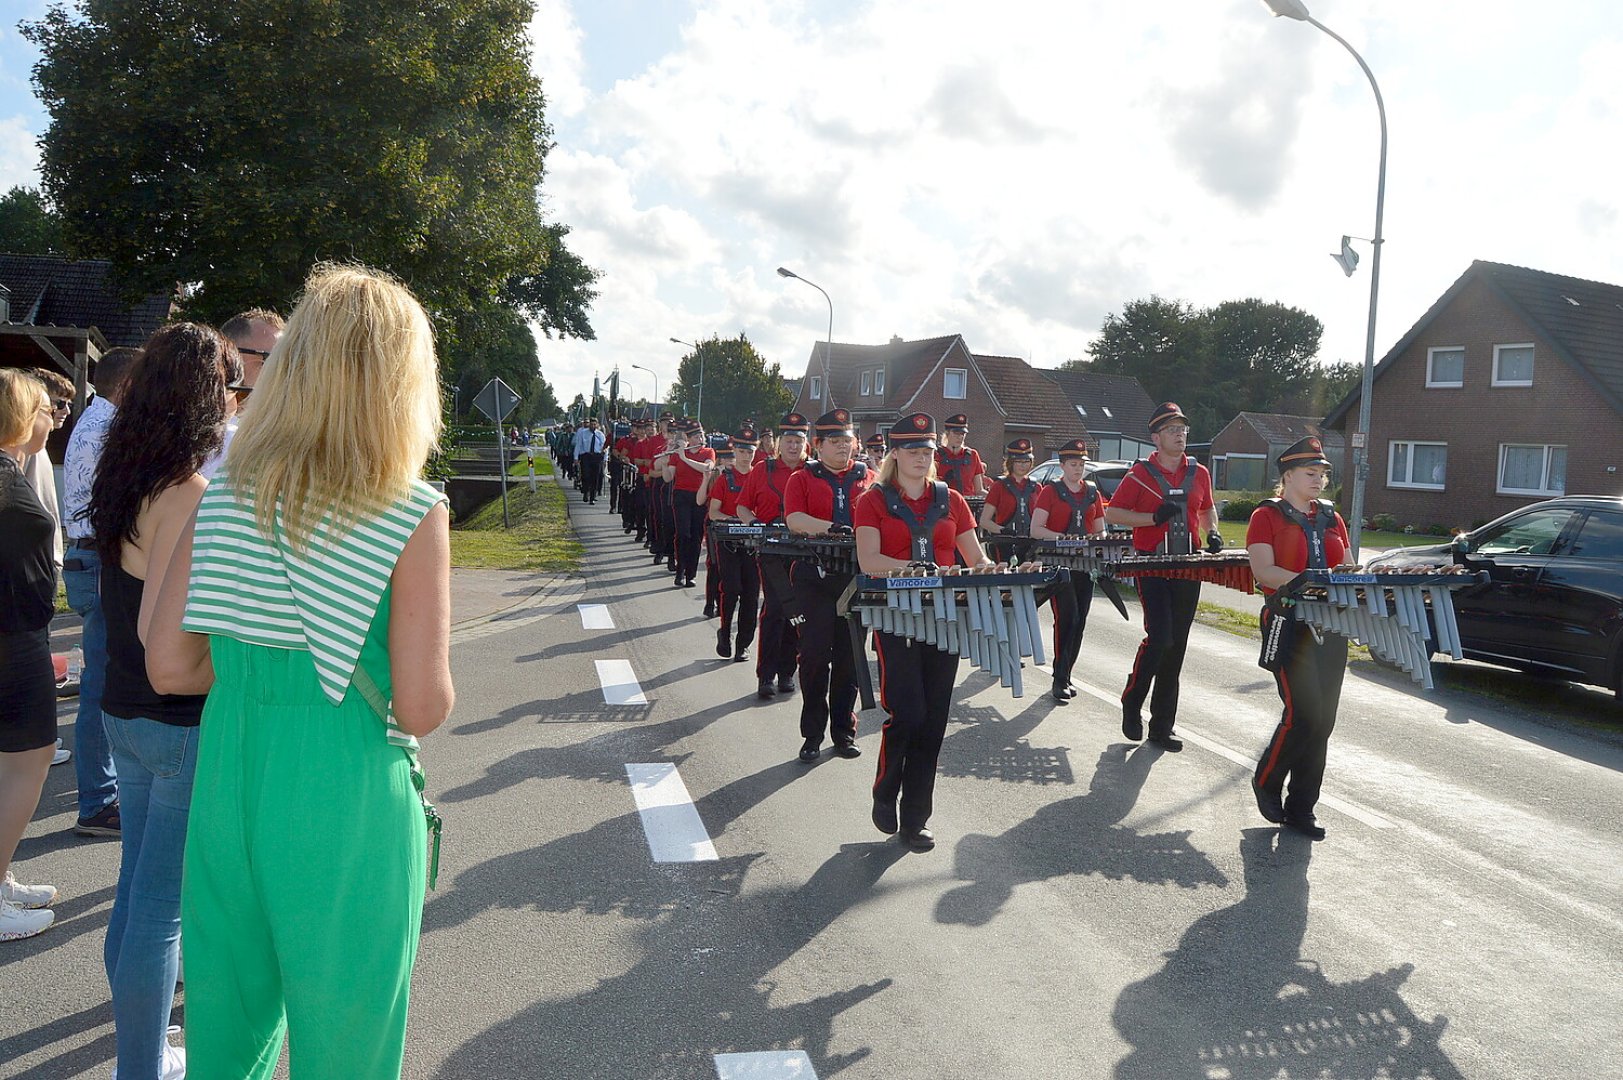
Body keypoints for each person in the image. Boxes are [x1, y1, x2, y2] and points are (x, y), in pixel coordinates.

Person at [144, 264, 454, 1078]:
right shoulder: (409, 510)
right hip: (345, 784)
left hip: (230, 774)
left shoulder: (225, 495)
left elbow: (171, 666)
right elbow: (419, 706)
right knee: (348, 1044)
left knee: (228, 1029)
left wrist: (261, 668)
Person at [89, 322, 234, 1078]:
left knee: (135, 895)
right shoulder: (192, 492)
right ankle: (139, 1068)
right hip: (177, 719)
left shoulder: (126, 474)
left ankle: (137, 1057)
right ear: (207, 400)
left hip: (121, 708)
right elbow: (169, 634)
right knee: (160, 910)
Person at [854, 412, 992, 852]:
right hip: (895, 616)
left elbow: (974, 557)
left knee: (933, 721)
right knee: (907, 713)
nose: (921, 457)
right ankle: (884, 790)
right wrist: (914, 569)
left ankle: (916, 819)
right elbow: (868, 561)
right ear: (895, 453)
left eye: (927, 450)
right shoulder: (872, 500)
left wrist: (996, 570)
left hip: (946, 618)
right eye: (912, 449)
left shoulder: (950, 499)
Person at [1247, 437, 1352, 841]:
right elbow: (1263, 572)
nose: (1319, 481)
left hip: (1332, 626)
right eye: (1311, 474)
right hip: (1289, 624)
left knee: (1323, 721)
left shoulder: (1331, 517)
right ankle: (1267, 780)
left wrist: (1351, 574)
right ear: (1287, 476)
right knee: (1302, 714)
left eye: (1323, 474)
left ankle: (1302, 808)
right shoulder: (1266, 516)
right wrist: (1308, 582)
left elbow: (1342, 563)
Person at [1104, 402, 1220, 752]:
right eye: (1171, 430)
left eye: (1183, 428)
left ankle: (1162, 726)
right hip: (1151, 565)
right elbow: (1114, 513)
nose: (1180, 434)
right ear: (1156, 438)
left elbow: (1208, 507)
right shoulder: (1139, 474)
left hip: (1187, 565)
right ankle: (1132, 698)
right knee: (1161, 638)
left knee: (1178, 646)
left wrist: (1212, 532)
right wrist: (1153, 518)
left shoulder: (1199, 472)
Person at [59, 347, 141, 837]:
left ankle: (99, 797)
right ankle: (97, 802)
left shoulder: (95, 421)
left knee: (101, 676)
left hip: (88, 554)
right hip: (100, 557)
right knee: (101, 682)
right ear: (128, 384)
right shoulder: (109, 430)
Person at [0, 369, 60, 941]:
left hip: (19, 633)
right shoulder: (4, 477)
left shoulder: (10, 471)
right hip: (12, 639)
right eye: (45, 409)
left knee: (13, 766)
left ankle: (1, 875)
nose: (52, 419)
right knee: (28, 761)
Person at [783, 408, 872, 763]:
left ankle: (843, 732)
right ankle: (812, 734)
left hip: (855, 577)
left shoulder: (869, 477)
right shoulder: (802, 478)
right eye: (834, 441)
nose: (842, 448)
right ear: (817, 445)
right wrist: (830, 527)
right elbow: (794, 519)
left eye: (846, 441)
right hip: (815, 578)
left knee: (850, 659)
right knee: (816, 658)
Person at [1030, 439, 1109, 704]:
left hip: (1085, 563)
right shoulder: (1050, 492)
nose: (1078, 469)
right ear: (1062, 465)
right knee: (1068, 617)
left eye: (1082, 464)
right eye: (1073, 464)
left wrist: (1096, 539)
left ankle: (1067, 673)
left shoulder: (1092, 492)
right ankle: (1058, 678)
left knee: (1081, 621)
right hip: (1057, 561)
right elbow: (1036, 529)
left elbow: (1101, 528)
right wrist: (1062, 538)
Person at [737, 412, 809, 699]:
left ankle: (787, 672)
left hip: (805, 551)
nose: (793, 446)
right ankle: (765, 675)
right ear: (779, 443)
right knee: (776, 609)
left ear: (806, 443)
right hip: (770, 550)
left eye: (798, 441)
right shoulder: (762, 470)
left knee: (798, 609)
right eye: (789, 440)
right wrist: (755, 526)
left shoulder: (813, 471)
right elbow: (743, 507)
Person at [203, 309, 284, 480]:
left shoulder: (271, 443)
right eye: (266, 360)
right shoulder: (193, 435)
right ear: (228, 356)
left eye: (284, 364)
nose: (279, 374)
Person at [707, 428, 760, 663]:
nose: (745, 456)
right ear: (734, 451)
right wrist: (733, 520)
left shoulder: (760, 477)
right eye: (741, 451)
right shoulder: (724, 478)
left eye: (749, 451)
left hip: (754, 543)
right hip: (728, 541)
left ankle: (743, 644)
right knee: (731, 589)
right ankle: (725, 632)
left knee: (750, 595)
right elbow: (713, 512)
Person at [664, 418, 715, 589]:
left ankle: (690, 575)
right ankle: (680, 569)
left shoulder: (708, 452)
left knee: (696, 536)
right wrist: (668, 456)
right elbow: (667, 477)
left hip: (699, 496)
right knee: (683, 534)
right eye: (694, 436)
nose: (699, 439)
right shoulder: (678, 453)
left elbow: (706, 468)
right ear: (687, 438)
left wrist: (684, 458)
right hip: (681, 496)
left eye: (700, 435)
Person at [978, 437, 1040, 566]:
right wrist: (1002, 530)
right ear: (1011, 462)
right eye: (1018, 461)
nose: (1023, 465)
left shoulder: (1036, 487)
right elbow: (984, 521)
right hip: (1005, 543)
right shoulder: (999, 486)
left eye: (1026, 461)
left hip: (1031, 544)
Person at [934, 413, 988, 498]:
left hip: (968, 504)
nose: (960, 437)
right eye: (956, 433)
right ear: (947, 433)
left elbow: (979, 490)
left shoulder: (972, 455)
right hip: (944, 502)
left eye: (962, 434)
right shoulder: (936, 455)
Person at [574, 417, 606, 504]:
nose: (593, 426)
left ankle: (592, 496)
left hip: (597, 457)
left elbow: (604, 447)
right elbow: (578, 445)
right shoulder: (583, 433)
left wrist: (605, 459)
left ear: (597, 425)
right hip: (586, 456)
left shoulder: (600, 435)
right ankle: (586, 491)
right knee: (586, 475)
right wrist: (576, 457)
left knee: (595, 477)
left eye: (595, 424)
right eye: (591, 424)